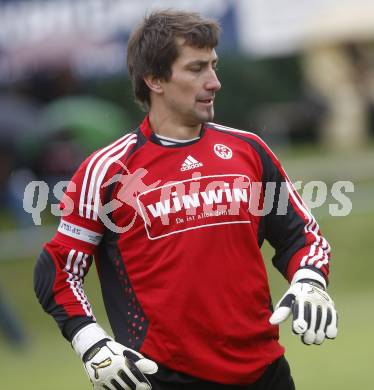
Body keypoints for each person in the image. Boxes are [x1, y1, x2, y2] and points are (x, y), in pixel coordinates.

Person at [34, 9, 338, 390]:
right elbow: (59, 268)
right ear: (154, 79)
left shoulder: (249, 150)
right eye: (196, 69)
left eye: (213, 65)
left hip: (266, 374)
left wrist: (309, 279)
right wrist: (90, 342)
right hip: (162, 378)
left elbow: (300, 234)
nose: (215, 82)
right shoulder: (108, 171)